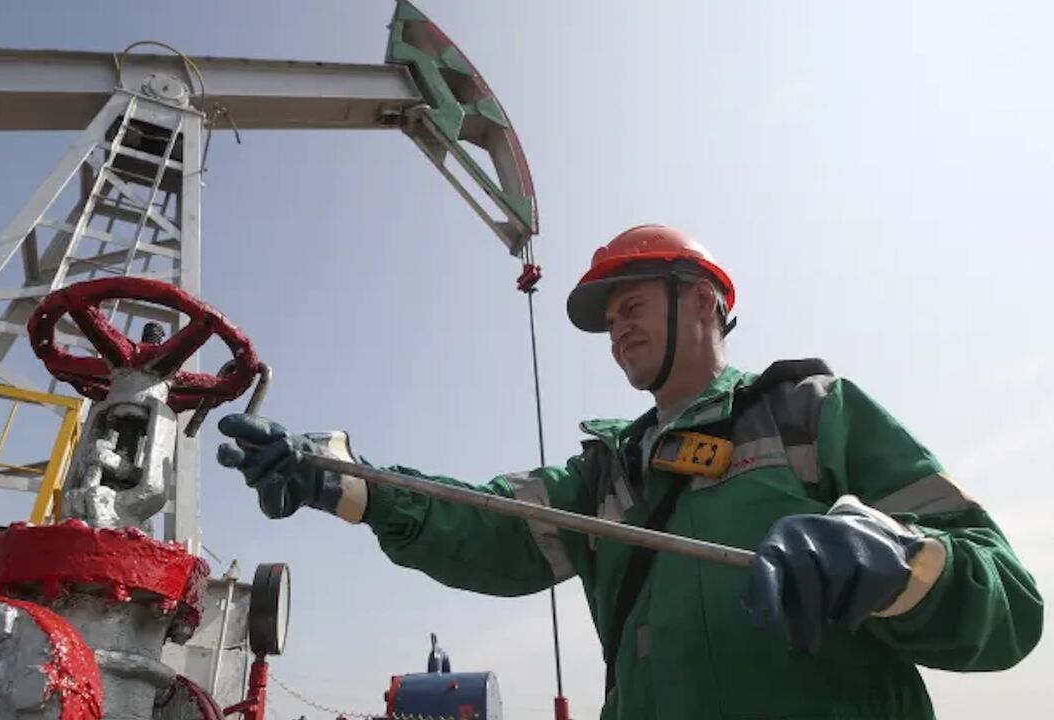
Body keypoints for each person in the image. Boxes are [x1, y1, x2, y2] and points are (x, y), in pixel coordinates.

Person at [216, 224, 1043, 719]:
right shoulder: (609, 468)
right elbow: (489, 527)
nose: (616, 332)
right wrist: (348, 484)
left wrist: (901, 566)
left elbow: (1011, 606)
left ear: (704, 303)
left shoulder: (811, 412)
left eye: (632, 307)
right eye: (609, 321)